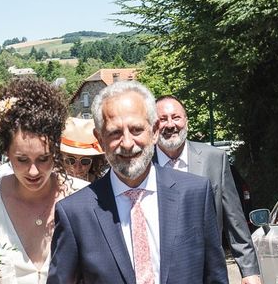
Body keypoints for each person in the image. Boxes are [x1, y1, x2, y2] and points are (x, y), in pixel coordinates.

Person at [48, 80, 228, 284]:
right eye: (115, 132)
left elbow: (215, 277)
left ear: (154, 131)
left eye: (136, 130)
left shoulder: (194, 194)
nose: (127, 143)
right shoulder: (75, 214)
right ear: (99, 139)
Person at [0, 77, 87, 284]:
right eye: (22, 160)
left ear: (56, 152)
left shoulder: (84, 197)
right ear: (6, 153)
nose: (33, 171)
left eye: (43, 159)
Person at [155, 95, 262, 284]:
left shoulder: (214, 159)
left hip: (207, 273)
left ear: (186, 121)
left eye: (176, 117)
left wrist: (249, 271)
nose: (170, 124)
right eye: (162, 119)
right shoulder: (144, 166)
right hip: (159, 272)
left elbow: (234, 220)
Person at [60, 117, 107, 182]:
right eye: (71, 160)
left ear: (93, 161)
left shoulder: (100, 184)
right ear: (61, 159)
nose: (78, 167)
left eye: (85, 161)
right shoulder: (50, 185)